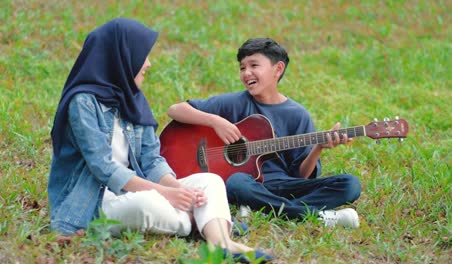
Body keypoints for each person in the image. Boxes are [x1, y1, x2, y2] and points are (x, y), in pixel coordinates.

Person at [47, 18, 274, 263]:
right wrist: (166, 193)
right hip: (94, 200)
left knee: (210, 180)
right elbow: (103, 168)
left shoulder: (131, 98)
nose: (148, 63)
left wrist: (177, 189)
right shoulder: (82, 103)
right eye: (142, 55)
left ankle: (223, 244)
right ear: (121, 56)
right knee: (146, 204)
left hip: (136, 187)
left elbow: (151, 159)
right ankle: (204, 222)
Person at [167, 37, 362, 228]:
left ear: (278, 69)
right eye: (242, 68)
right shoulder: (233, 103)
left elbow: (301, 176)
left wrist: (318, 147)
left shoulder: (297, 115)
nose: (246, 73)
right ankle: (316, 216)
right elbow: (175, 109)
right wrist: (215, 121)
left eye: (254, 65)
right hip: (245, 183)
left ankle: (261, 206)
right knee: (236, 182)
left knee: (350, 184)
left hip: (283, 186)